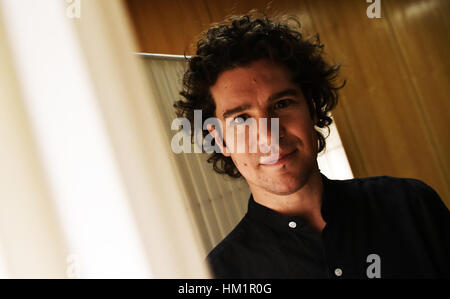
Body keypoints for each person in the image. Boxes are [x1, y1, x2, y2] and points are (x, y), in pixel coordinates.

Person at [174, 13, 450, 278]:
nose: (269, 136)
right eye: (242, 119)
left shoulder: (411, 206)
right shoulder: (218, 276)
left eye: (282, 104)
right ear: (219, 138)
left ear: (312, 108)